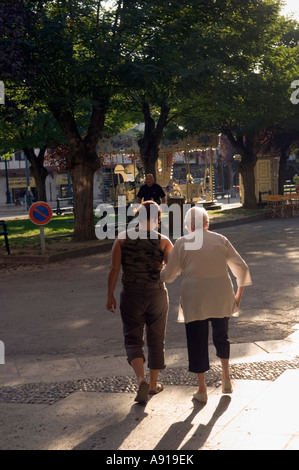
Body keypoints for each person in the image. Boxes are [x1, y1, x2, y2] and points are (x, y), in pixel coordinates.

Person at [160, 207, 252, 403]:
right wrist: (238, 296)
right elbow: (242, 268)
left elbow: (169, 276)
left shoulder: (182, 243)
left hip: (195, 297)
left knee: (197, 341)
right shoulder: (220, 239)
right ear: (207, 223)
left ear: (188, 226)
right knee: (221, 335)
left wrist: (161, 271)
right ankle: (226, 376)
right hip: (221, 294)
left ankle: (202, 389)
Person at [106, 201, 173, 403]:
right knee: (156, 339)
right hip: (157, 295)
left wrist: (110, 295)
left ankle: (140, 379)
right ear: (158, 220)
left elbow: (114, 269)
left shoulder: (122, 239)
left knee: (133, 338)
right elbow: (172, 272)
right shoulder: (164, 241)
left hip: (131, 294)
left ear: (137, 216)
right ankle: (153, 385)